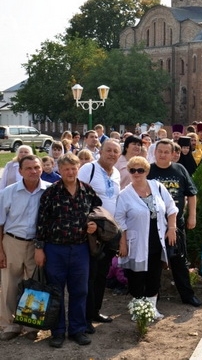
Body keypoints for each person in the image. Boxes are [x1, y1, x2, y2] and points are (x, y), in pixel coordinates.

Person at [35, 153, 101, 347]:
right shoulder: (51, 192)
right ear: (59, 170)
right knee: (56, 291)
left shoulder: (87, 191)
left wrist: (94, 225)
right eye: (66, 169)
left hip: (80, 249)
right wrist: (39, 248)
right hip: (55, 249)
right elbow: (41, 222)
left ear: (78, 168)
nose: (70, 172)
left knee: (80, 290)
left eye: (73, 168)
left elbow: (98, 211)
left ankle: (77, 330)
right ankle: (57, 332)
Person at [116, 156, 178, 319]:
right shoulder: (124, 194)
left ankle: (151, 308)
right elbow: (119, 220)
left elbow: (171, 207)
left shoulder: (157, 186)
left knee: (154, 274)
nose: (136, 173)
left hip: (157, 238)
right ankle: (138, 309)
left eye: (140, 170)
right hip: (136, 241)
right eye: (133, 170)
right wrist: (122, 242)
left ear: (146, 171)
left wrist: (172, 227)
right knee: (136, 276)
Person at [146, 139, 202, 307]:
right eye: (160, 151)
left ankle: (187, 295)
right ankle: (152, 297)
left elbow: (191, 194)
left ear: (172, 154)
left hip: (177, 224)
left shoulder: (180, 170)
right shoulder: (148, 171)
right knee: (154, 262)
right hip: (153, 225)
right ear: (155, 153)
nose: (163, 154)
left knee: (179, 260)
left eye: (166, 152)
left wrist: (192, 216)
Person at [0, 155, 48, 341]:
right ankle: (9, 325)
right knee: (10, 285)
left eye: (36, 167)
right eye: (28, 168)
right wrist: (1, 251)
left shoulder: (49, 191)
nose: (33, 171)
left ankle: (30, 325)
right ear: (20, 171)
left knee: (35, 285)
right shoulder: (8, 193)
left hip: (37, 245)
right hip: (12, 242)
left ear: (41, 169)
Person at [77, 139, 122, 332]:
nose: (112, 154)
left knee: (101, 275)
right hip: (92, 232)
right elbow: (78, 197)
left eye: (115, 152)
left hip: (109, 232)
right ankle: (84, 318)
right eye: (108, 150)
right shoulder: (89, 169)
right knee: (89, 276)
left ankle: (95, 311)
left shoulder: (117, 173)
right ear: (100, 151)